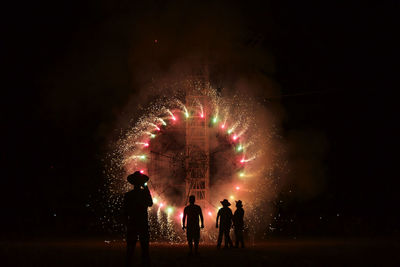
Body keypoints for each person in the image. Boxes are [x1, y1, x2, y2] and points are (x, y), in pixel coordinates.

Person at [124, 171, 153, 266]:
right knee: (144, 245)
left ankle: (128, 262)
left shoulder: (128, 195)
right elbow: (150, 203)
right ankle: (145, 262)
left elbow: (125, 210)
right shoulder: (144, 194)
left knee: (131, 245)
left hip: (132, 221)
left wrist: (125, 222)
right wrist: (146, 189)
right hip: (142, 221)